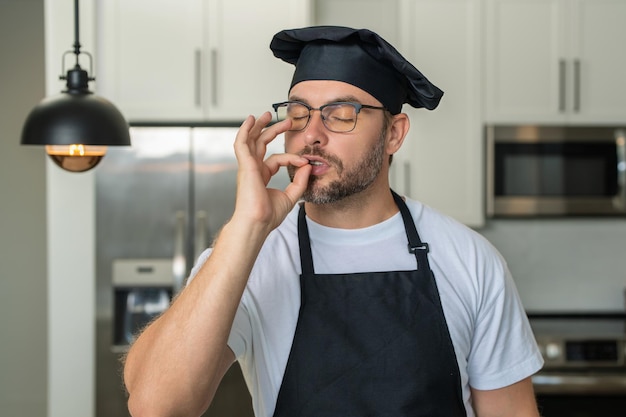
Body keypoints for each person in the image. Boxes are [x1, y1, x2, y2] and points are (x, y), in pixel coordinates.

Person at [123, 26, 544, 417]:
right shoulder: (252, 256)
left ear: (394, 133)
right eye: (300, 113)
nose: (312, 134)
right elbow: (156, 406)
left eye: (342, 113)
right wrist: (247, 226)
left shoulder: (469, 258)